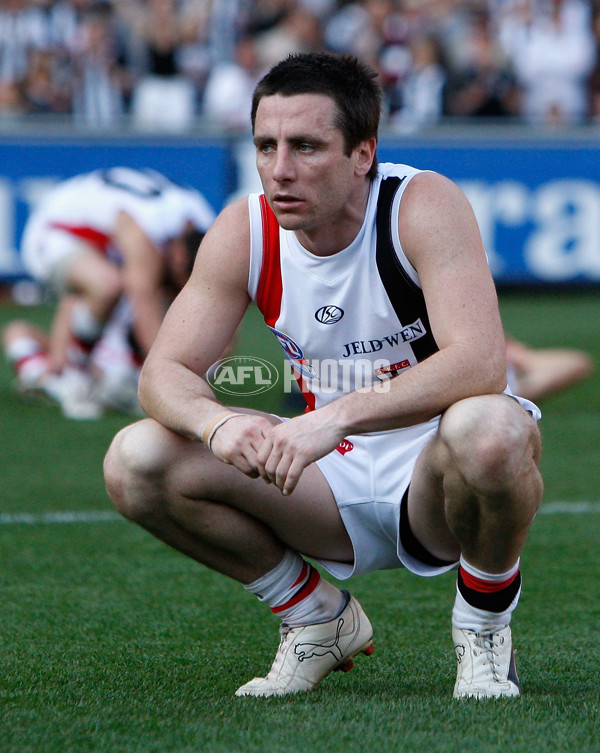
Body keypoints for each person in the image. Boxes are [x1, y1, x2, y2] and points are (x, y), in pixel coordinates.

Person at [103, 52, 544, 699]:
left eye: (306, 146)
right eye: (265, 145)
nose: (280, 169)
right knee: (135, 457)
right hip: (323, 477)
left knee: (492, 427)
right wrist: (216, 421)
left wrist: (331, 416)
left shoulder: (420, 203)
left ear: (362, 154)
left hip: (438, 474)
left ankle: (482, 627)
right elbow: (163, 372)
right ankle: (314, 617)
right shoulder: (244, 227)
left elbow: (481, 361)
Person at [5, 165, 214, 418]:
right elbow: (146, 314)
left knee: (103, 295)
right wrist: (183, 383)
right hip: (57, 229)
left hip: (104, 238)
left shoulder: (206, 227)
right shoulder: (145, 237)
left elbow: (222, 302)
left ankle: (56, 376)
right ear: (178, 258)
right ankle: (73, 376)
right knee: (106, 286)